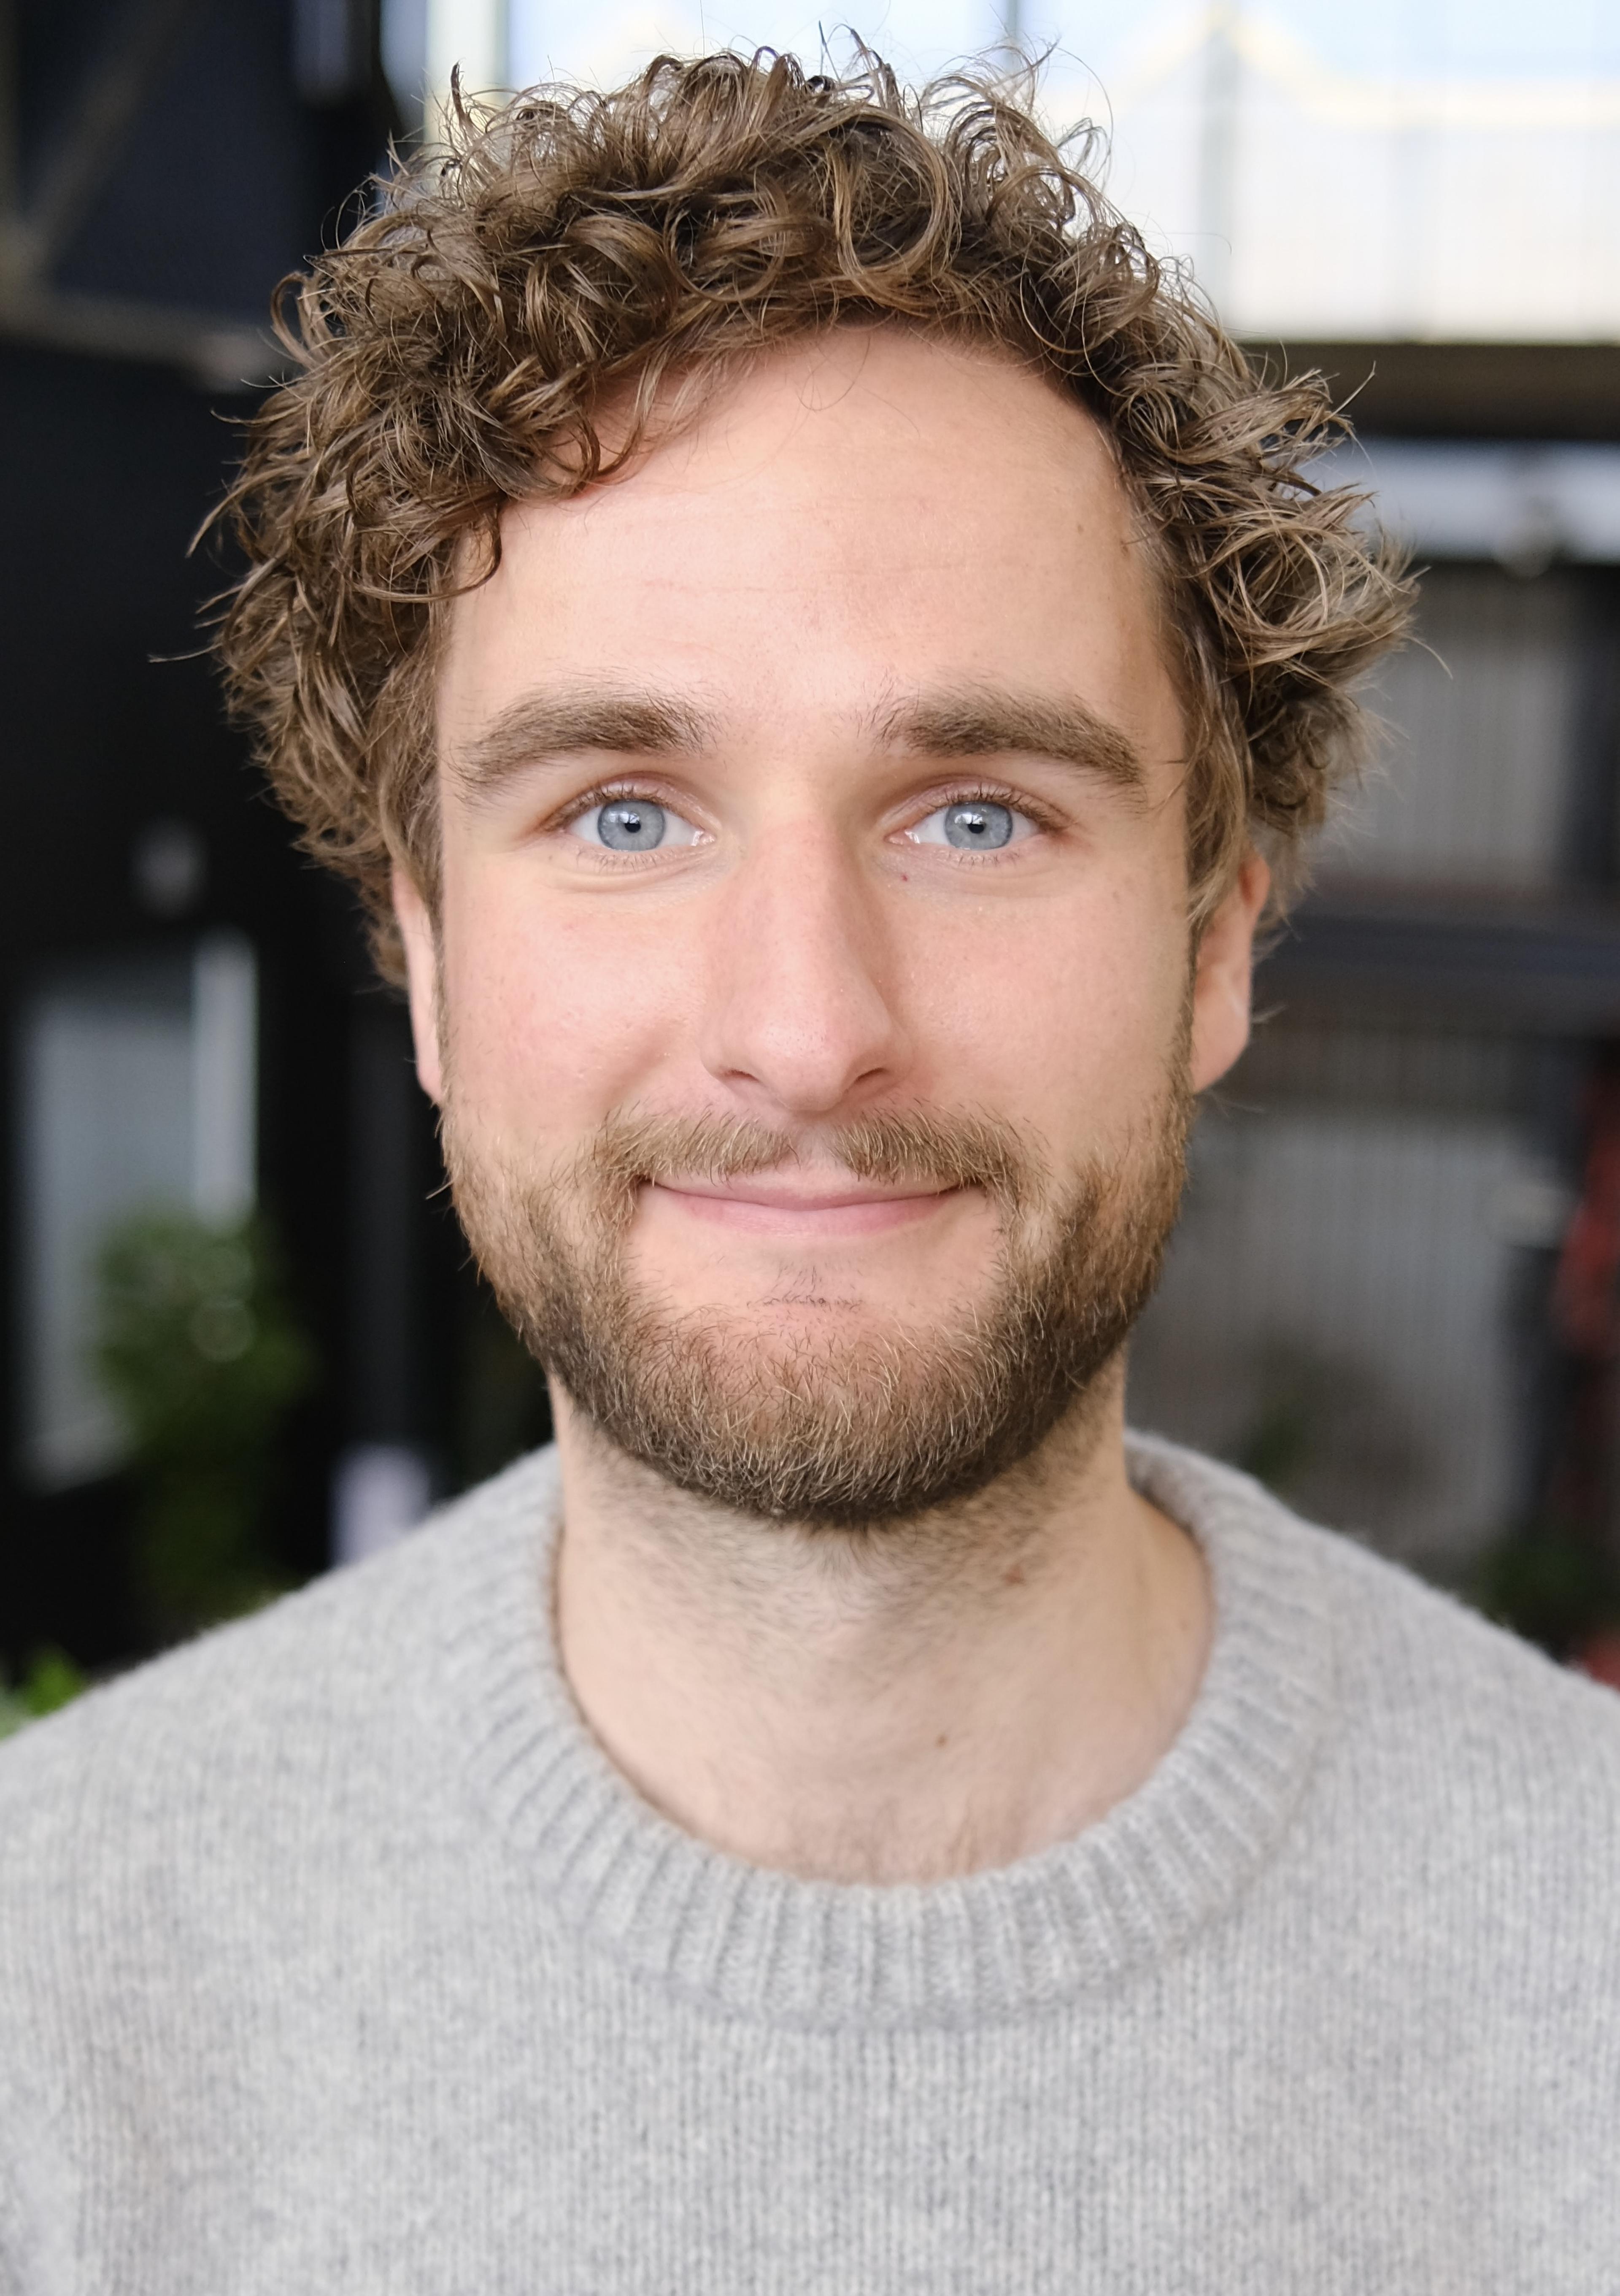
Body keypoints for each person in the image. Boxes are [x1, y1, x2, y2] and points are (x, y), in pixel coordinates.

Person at [2, 49, 1617, 2293]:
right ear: (430, 960)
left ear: (1215, 945)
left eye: (977, 814)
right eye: (624, 814)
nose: (805, 1024)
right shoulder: (54, 1999)